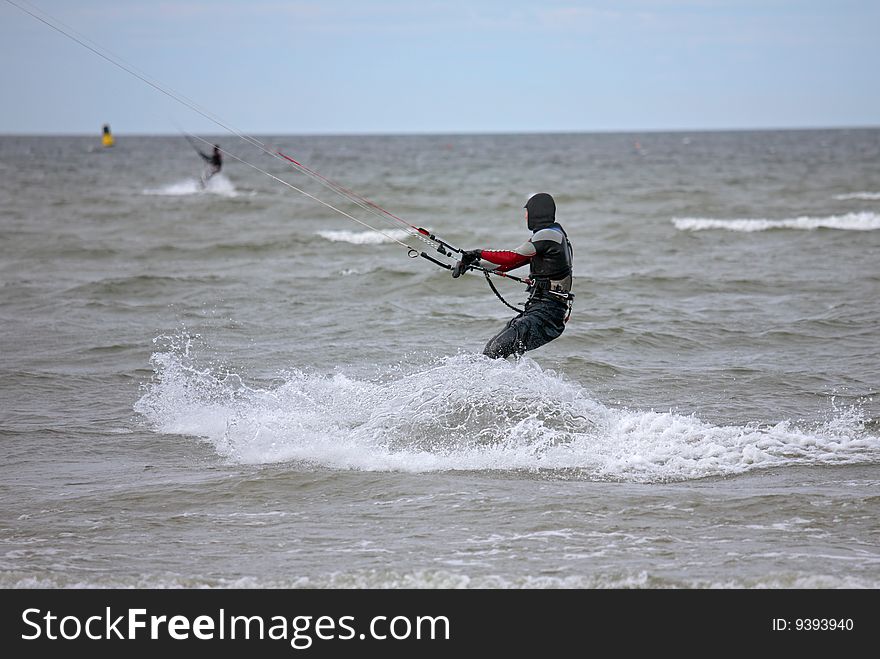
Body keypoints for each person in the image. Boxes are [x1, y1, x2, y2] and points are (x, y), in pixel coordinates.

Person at [458, 192, 574, 359]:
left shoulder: (548, 234)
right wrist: (476, 264)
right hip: (539, 309)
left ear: (537, 212)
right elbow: (510, 264)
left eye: (527, 212)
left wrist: (478, 253)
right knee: (491, 349)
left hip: (548, 313)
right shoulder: (550, 235)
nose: (525, 216)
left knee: (495, 351)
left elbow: (512, 256)